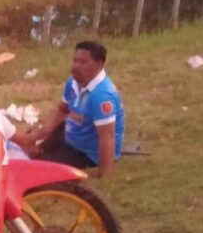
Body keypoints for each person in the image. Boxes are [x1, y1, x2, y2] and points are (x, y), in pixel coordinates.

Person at [12, 41, 124, 177]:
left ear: (99, 64)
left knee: (37, 168)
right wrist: (44, 131)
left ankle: (39, 153)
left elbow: (107, 137)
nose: (76, 66)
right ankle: (38, 148)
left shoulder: (102, 95)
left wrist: (104, 174)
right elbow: (63, 109)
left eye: (83, 62)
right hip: (73, 132)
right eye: (75, 61)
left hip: (86, 151)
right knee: (31, 141)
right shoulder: (73, 82)